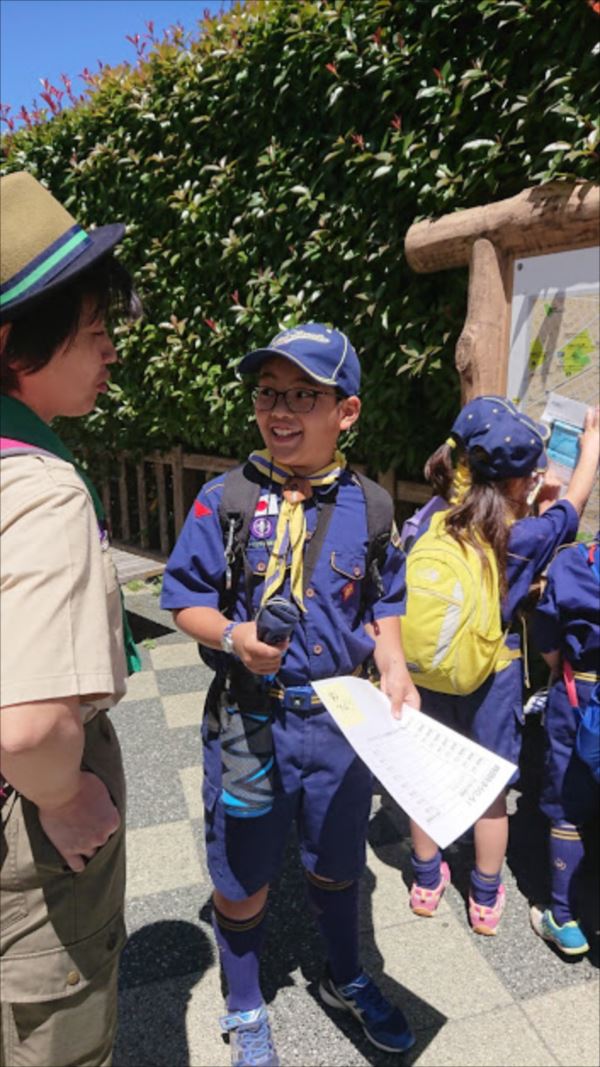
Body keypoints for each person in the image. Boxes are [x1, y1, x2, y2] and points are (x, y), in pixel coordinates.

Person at [161, 323, 419, 1065]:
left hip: (339, 727)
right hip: (248, 718)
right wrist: (231, 636)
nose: (280, 410)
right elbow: (184, 598)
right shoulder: (228, 497)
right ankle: (244, 1003)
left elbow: (383, 600)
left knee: (338, 864)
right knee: (241, 876)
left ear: (347, 411)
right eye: (269, 392)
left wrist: (394, 665)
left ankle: (346, 975)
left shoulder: (370, 508)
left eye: (304, 394)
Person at [0, 171, 140, 1067]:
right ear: (15, 342)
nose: (109, 354)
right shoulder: (40, 487)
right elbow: (29, 728)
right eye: (94, 333)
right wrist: (66, 791)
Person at [403, 396, 599, 936]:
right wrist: (591, 447)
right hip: (493, 673)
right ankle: (485, 896)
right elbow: (574, 506)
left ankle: (425, 879)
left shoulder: (428, 519)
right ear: (518, 484)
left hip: (427, 673)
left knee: (423, 780)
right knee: (488, 787)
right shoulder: (522, 538)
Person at [529, 529, 599, 956]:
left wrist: (558, 670)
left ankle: (564, 917)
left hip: (580, 692)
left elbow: (548, 635)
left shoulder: (574, 562)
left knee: (567, 805)